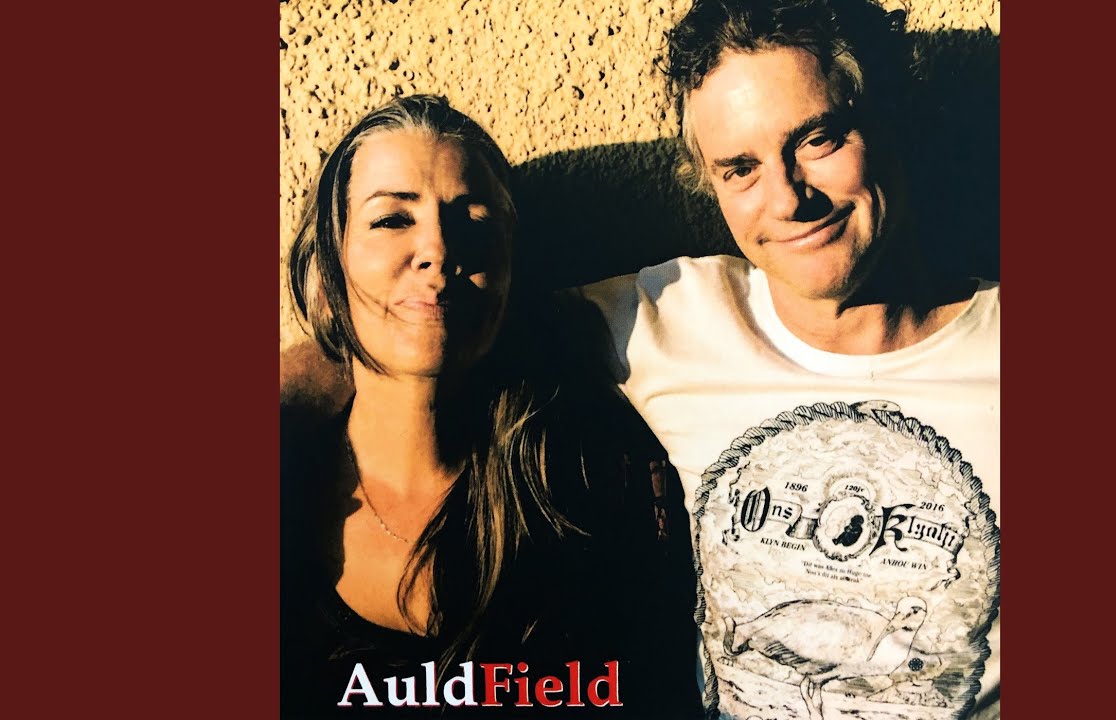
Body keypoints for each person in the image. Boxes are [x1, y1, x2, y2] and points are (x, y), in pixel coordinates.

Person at [574, 1, 1000, 718]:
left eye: (817, 139)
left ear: (892, 120)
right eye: (740, 168)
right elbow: (444, 331)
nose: (787, 198)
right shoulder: (666, 319)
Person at [280, 93, 701, 718]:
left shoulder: (600, 486)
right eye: (392, 219)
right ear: (326, 269)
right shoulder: (284, 499)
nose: (439, 249)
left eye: (475, 221)